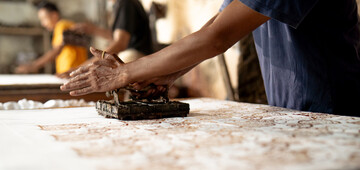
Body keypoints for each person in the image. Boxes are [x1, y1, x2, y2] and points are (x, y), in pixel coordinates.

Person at [61, 0, 360, 117]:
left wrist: (125, 74)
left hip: (331, 106)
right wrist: (170, 72)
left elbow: (217, 37)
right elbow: (216, 25)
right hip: (292, 108)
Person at [68, 0, 152, 67]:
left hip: (136, 55)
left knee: (101, 71)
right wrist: (91, 29)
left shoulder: (125, 3)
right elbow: (118, 35)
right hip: (135, 53)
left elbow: (120, 43)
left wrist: (86, 65)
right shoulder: (121, 4)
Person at [15, 1, 87, 74]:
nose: (43, 24)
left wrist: (34, 65)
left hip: (71, 72)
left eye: (44, 19)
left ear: (54, 15)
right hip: (73, 72)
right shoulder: (66, 25)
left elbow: (57, 50)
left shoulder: (62, 25)